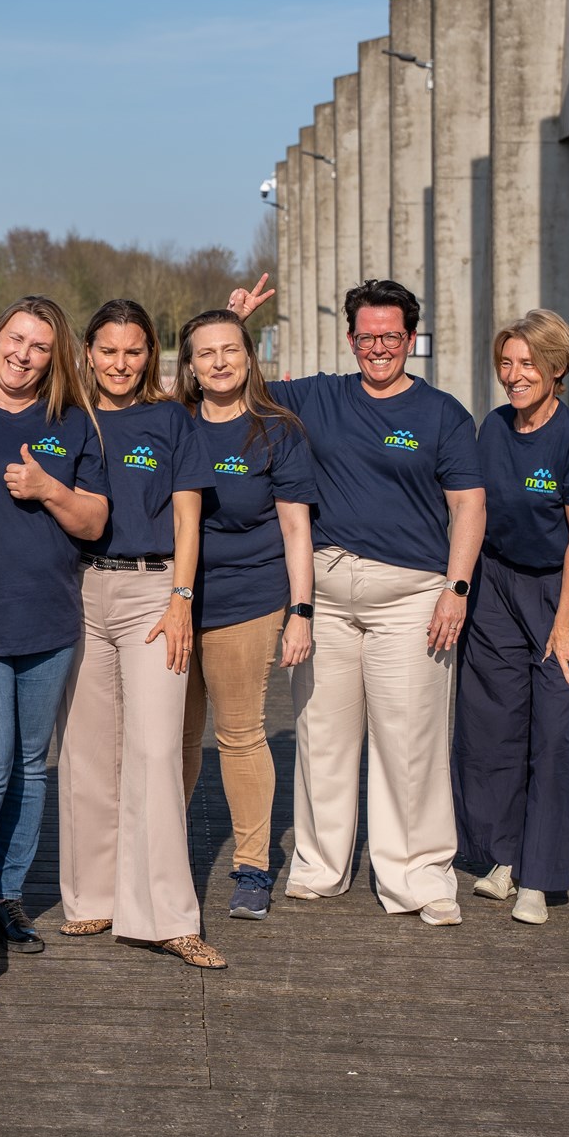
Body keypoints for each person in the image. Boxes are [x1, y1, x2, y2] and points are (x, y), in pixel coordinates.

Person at [232, 277, 485, 925]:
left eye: (391, 337)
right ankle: (320, 865)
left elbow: (468, 505)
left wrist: (456, 589)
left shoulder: (442, 414)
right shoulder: (319, 396)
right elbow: (241, 392)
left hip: (412, 598)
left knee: (411, 742)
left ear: (411, 339)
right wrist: (237, 326)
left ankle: (418, 878)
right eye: (367, 337)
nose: (379, 348)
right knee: (322, 735)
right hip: (326, 596)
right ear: (351, 339)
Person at [55, 299, 224, 968]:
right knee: (86, 751)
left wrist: (182, 598)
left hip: (154, 593)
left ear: (151, 353)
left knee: (155, 751)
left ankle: (165, 917)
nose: (120, 363)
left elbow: (189, 520)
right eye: (108, 350)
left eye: (133, 351)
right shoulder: (68, 417)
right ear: (88, 352)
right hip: (79, 591)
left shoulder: (171, 420)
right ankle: (93, 898)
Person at [0, 297, 108, 957]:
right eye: (16, 339)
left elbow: (94, 522)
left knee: (29, 765)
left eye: (40, 346)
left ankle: (6, 894)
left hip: (48, 618)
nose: (23, 355)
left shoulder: (72, 423)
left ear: (55, 357)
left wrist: (48, 488)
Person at [451, 310, 569, 925]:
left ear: (557, 368)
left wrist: (564, 626)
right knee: (491, 726)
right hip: (496, 588)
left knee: (553, 736)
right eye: (507, 363)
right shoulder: (492, 429)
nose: (514, 375)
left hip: (562, 594)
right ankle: (502, 856)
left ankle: (538, 879)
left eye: (528, 364)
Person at [172, 308, 318, 923]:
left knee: (239, 734)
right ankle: (163, 857)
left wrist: (301, 611)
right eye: (206, 353)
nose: (220, 362)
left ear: (250, 357)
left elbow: (296, 530)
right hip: (173, 605)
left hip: (248, 600)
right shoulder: (172, 422)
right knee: (173, 739)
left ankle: (253, 867)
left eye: (231, 349)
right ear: (189, 366)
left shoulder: (275, 431)